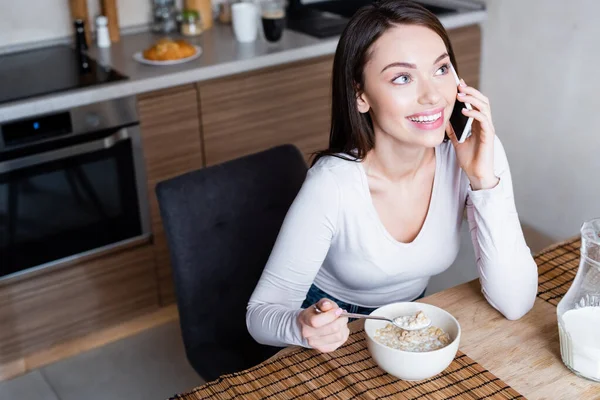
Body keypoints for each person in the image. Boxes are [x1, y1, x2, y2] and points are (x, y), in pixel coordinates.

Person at [246, 0, 538, 353]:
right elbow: (259, 315)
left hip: (409, 324)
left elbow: (516, 303)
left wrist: (483, 181)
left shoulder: (476, 153)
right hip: (333, 332)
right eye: (403, 77)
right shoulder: (333, 184)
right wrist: (301, 326)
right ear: (361, 95)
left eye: (441, 69)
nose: (433, 96)